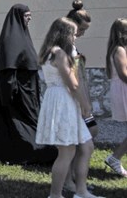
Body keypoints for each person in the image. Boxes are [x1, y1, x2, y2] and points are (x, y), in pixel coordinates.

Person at [0, 4, 57, 164]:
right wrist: (10, 92)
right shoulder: (10, 40)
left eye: (30, 15)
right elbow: (8, 68)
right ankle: (26, 150)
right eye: (26, 15)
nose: (30, 18)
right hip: (17, 93)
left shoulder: (23, 36)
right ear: (18, 17)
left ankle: (37, 147)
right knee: (18, 122)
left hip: (28, 91)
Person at [35, 17, 98, 198]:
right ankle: (55, 195)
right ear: (63, 33)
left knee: (86, 146)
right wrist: (86, 106)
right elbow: (73, 84)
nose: (75, 37)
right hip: (63, 101)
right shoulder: (59, 53)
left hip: (61, 99)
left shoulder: (50, 52)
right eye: (73, 33)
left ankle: (81, 191)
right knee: (67, 151)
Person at [104, 18, 127, 178]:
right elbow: (123, 74)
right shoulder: (119, 50)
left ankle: (115, 158)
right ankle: (114, 158)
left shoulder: (120, 48)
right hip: (124, 89)